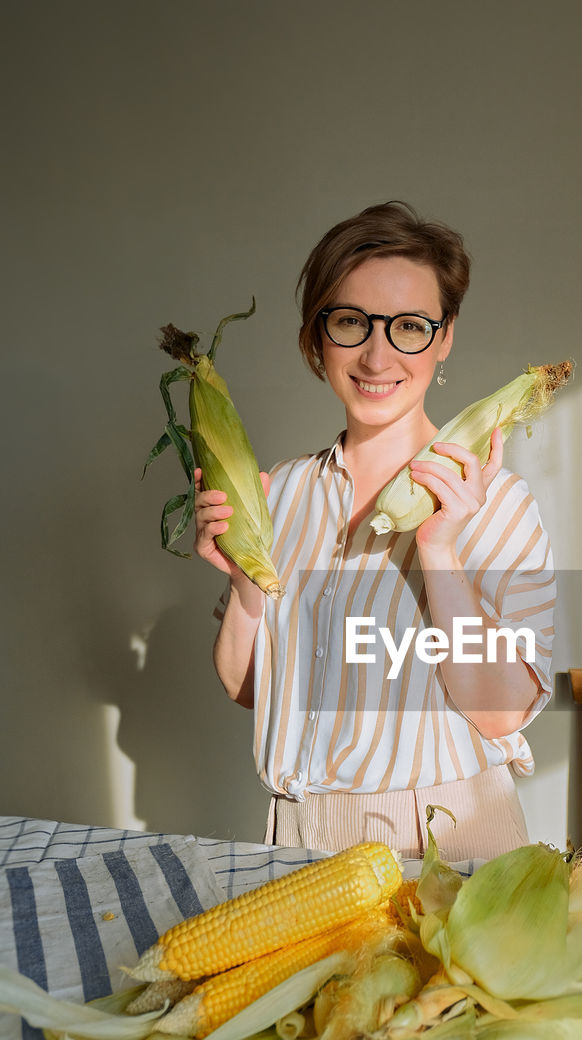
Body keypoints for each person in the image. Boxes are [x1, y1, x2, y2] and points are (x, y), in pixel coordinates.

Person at [194, 201, 556, 859]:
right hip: (297, 832)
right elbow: (247, 689)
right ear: (315, 336)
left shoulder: (497, 506)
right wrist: (248, 587)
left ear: (444, 338)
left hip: (443, 835)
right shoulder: (284, 491)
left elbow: (501, 714)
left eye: (410, 326)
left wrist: (439, 550)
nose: (376, 354)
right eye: (351, 322)